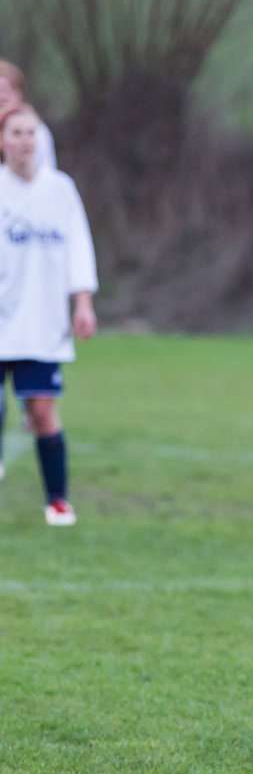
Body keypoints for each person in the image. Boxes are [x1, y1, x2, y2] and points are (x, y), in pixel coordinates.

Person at [0, 103, 96, 525]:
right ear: (2, 142)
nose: (25, 141)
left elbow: (78, 247)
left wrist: (83, 303)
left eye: (31, 133)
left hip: (42, 322)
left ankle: (57, 500)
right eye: (16, 133)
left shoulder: (60, 190)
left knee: (41, 410)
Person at [0, 60, 57, 481]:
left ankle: (26, 406)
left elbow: (46, 191)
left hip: (28, 260)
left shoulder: (35, 136)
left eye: (7, 89)